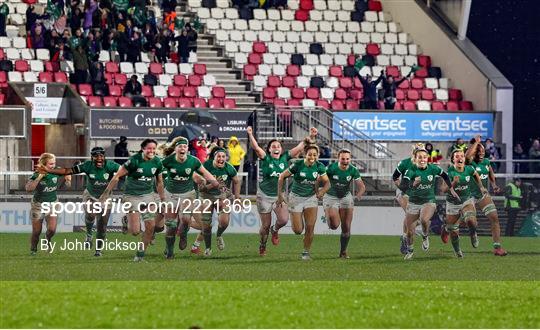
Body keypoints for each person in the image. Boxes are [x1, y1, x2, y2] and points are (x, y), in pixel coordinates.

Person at [247, 126, 318, 256]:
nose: (276, 148)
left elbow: (301, 147)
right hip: (264, 195)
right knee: (265, 226)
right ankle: (263, 244)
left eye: (278, 146)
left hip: (279, 195)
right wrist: (250, 134)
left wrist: (311, 136)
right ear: (269, 149)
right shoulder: (266, 158)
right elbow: (256, 148)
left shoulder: (285, 157)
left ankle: (275, 230)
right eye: (273, 146)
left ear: (281, 149)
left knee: (284, 220)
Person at [36, 147, 120, 256]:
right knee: (90, 214)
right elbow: (68, 171)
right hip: (90, 195)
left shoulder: (111, 165)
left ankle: (98, 250)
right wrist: (49, 170)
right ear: (92, 157)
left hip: (106, 197)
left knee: (102, 225)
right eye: (96, 156)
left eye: (101, 156)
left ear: (104, 157)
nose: (99, 159)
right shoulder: (87, 165)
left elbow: (124, 171)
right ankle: (89, 234)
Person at [99, 139, 166, 262]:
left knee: (151, 226)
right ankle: (126, 220)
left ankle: (140, 255)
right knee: (135, 231)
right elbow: (117, 176)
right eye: (149, 148)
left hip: (148, 195)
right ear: (143, 148)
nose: (151, 151)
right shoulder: (134, 161)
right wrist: (106, 193)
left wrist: (162, 199)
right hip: (132, 196)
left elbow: (160, 182)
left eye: (153, 148)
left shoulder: (157, 162)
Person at [160, 137, 218, 259]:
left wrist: (214, 182)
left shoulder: (193, 161)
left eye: (185, 146)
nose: (182, 148)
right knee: (171, 226)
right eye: (180, 146)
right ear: (175, 149)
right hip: (170, 194)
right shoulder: (167, 161)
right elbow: (156, 173)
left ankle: (183, 234)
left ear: (187, 149)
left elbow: (205, 172)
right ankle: (169, 249)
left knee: (186, 219)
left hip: (188, 194)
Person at [398, 148, 457, 260]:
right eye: (419, 157)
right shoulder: (410, 171)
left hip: (429, 201)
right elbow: (403, 187)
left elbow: (445, 175)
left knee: (424, 220)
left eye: (424, 157)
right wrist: (413, 184)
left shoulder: (433, 168)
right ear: (415, 159)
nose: (422, 159)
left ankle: (425, 236)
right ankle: (410, 250)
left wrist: (451, 188)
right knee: (410, 232)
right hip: (413, 202)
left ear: (427, 158)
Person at [277, 144, 330, 260]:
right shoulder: (297, 165)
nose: (312, 157)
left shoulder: (320, 167)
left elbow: (327, 183)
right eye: (310, 154)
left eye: (315, 155)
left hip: (311, 198)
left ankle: (306, 252)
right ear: (304, 155)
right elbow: (281, 176)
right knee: (298, 230)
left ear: (318, 156)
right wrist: (280, 195)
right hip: (296, 198)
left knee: (310, 227)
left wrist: (322, 192)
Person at [465, 136, 508, 256]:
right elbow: (468, 156)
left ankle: (497, 248)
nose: (482, 152)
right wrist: (477, 143)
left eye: (483, 150)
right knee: (470, 223)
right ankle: (450, 229)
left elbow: (490, 173)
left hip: (482, 194)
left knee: (494, 218)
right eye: (479, 151)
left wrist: (494, 185)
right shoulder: (470, 161)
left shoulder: (486, 162)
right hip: (468, 195)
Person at [441, 149, 487, 258]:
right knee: (453, 231)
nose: (460, 158)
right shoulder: (449, 173)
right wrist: (453, 182)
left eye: (461, 156)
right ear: (453, 160)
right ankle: (457, 251)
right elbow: (443, 189)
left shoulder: (469, 169)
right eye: (457, 156)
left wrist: (481, 187)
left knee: (470, 220)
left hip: (467, 200)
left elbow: (476, 175)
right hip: (453, 203)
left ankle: (473, 233)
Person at [322, 149, 366, 259]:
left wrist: (359, 193)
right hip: (331, 197)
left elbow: (361, 185)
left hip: (346, 197)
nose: (345, 161)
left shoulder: (353, 170)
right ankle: (328, 215)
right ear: (338, 158)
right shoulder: (331, 168)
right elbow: (321, 178)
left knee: (346, 228)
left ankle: (343, 251)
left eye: (347, 159)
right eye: (343, 159)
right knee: (334, 225)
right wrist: (319, 190)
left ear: (350, 159)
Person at [198, 148, 241, 256]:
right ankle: (208, 248)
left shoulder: (229, 168)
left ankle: (218, 235)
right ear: (214, 157)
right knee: (206, 226)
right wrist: (213, 184)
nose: (221, 159)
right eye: (219, 156)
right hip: (205, 197)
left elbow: (236, 181)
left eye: (223, 156)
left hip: (221, 197)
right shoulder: (205, 167)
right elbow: (201, 189)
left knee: (224, 222)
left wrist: (237, 198)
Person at [25, 153, 71, 255]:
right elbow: (28, 189)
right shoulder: (37, 174)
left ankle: (47, 239)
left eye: (54, 163)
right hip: (38, 205)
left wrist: (68, 179)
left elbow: (68, 171)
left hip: (52, 204)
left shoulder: (56, 170)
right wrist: (39, 178)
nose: (53, 166)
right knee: (36, 232)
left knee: (52, 229)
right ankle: (33, 249)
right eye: (50, 164)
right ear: (44, 164)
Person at [391, 143, 424, 254]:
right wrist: (401, 187)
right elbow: (395, 176)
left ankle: (405, 237)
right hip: (403, 192)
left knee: (418, 219)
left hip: (416, 194)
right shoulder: (405, 163)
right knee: (409, 213)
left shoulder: (425, 165)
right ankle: (406, 240)